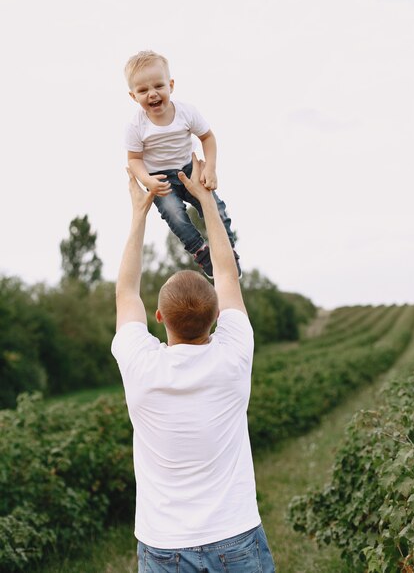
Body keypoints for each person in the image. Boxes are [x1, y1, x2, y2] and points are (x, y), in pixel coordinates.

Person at [111, 154, 276, 572]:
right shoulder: (234, 353)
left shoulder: (140, 365)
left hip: (163, 546)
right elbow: (226, 272)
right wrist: (206, 201)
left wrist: (139, 213)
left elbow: (127, 292)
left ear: (160, 317)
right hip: (235, 536)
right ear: (217, 314)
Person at [124, 49, 240, 279]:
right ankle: (200, 250)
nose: (152, 94)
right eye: (143, 90)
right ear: (133, 96)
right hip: (160, 178)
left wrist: (210, 168)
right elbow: (134, 159)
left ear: (171, 85)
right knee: (174, 214)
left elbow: (207, 138)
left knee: (215, 207)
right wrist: (147, 180)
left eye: (158, 86)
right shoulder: (136, 126)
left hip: (188, 169)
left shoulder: (186, 112)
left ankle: (227, 249)